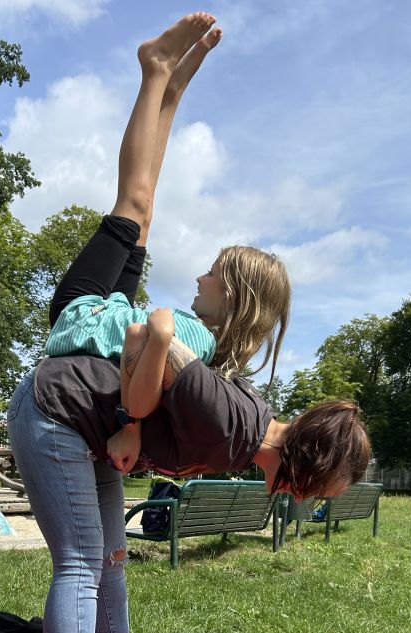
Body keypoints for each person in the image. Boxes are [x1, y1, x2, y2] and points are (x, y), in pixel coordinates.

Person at [7, 13, 372, 633]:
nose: (304, 505)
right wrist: (131, 419)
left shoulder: (240, 434)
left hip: (77, 422)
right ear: (296, 471)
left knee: (110, 559)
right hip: (56, 412)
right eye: (312, 493)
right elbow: (159, 333)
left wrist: (132, 425)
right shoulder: (236, 424)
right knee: (81, 563)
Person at [42, 15, 290, 423]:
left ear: (232, 296)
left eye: (212, 273)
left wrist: (130, 425)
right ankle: (169, 92)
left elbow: (141, 396)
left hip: (81, 316)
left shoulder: (192, 339)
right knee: (145, 211)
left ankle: (155, 71)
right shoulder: (205, 347)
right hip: (108, 318)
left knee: (134, 202)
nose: (199, 277)